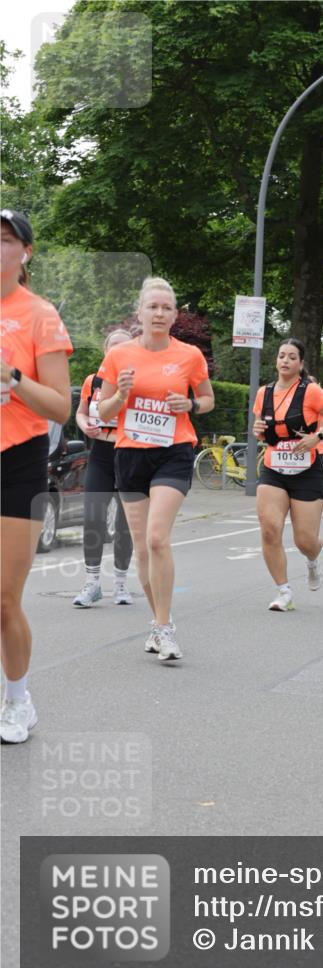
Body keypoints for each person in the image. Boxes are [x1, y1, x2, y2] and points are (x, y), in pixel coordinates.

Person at [97, 277, 214, 660]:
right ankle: (159, 623)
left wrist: (191, 406)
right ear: (140, 313)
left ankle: (165, 628)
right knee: (143, 550)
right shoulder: (119, 356)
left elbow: (208, 399)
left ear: (175, 315)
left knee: (158, 537)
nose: (159, 313)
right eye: (153, 307)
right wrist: (121, 394)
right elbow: (103, 412)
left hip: (173, 451)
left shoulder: (189, 355)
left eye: (166, 308)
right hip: (131, 454)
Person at [1, 209, 73, 743]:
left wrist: (14, 378)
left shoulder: (39, 314)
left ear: (25, 253)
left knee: (4, 598)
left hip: (16, 460)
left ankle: (18, 701)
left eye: (6, 240)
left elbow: (60, 407)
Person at [252, 339, 323, 611]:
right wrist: (258, 430)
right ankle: (284, 591)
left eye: (292, 357)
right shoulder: (264, 392)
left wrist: (317, 437)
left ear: (301, 363)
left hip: (306, 469)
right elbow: (261, 430)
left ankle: (313, 561)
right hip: (273, 468)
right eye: (282, 356)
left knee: (304, 540)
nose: (285, 361)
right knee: (270, 530)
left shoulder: (311, 391)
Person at [72, 329, 135, 607]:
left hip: (130, 454)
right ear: (106, 351)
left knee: (125, 522)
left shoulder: (139, 382)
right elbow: (81, 412)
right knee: (93, 517)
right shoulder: (93, 380)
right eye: (113, 347)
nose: (118, 352)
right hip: (100, 453)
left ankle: (120, 583)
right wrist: (84, 423)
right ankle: (92, 582)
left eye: (124, 348)